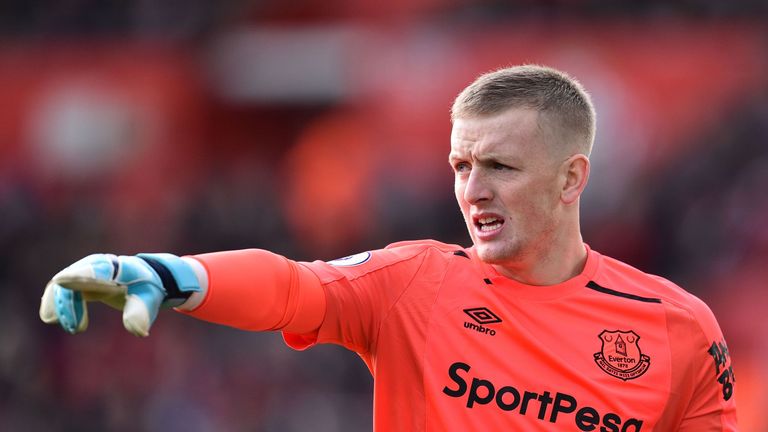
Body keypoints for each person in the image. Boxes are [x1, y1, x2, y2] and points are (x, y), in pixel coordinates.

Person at [39, 65, 737, 431]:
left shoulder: (676, 330)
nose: (474, 191)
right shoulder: (419, 282)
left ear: (571, 178)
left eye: (500, 167)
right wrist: (172, 273)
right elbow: (293, 288)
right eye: (462, 167)